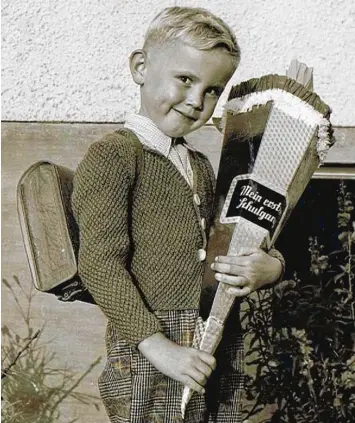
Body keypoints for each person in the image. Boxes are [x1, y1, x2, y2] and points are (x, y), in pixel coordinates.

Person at [72, 6, 284, 423]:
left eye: (212, 91)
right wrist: (157, 345)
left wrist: (270, 267)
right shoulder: (115, 154)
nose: (196, 100)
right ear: (140, 67)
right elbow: (99, 263)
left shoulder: (201, 165)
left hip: (213, 332)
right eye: (185, 79)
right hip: (150, 346)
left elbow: (227, 241)